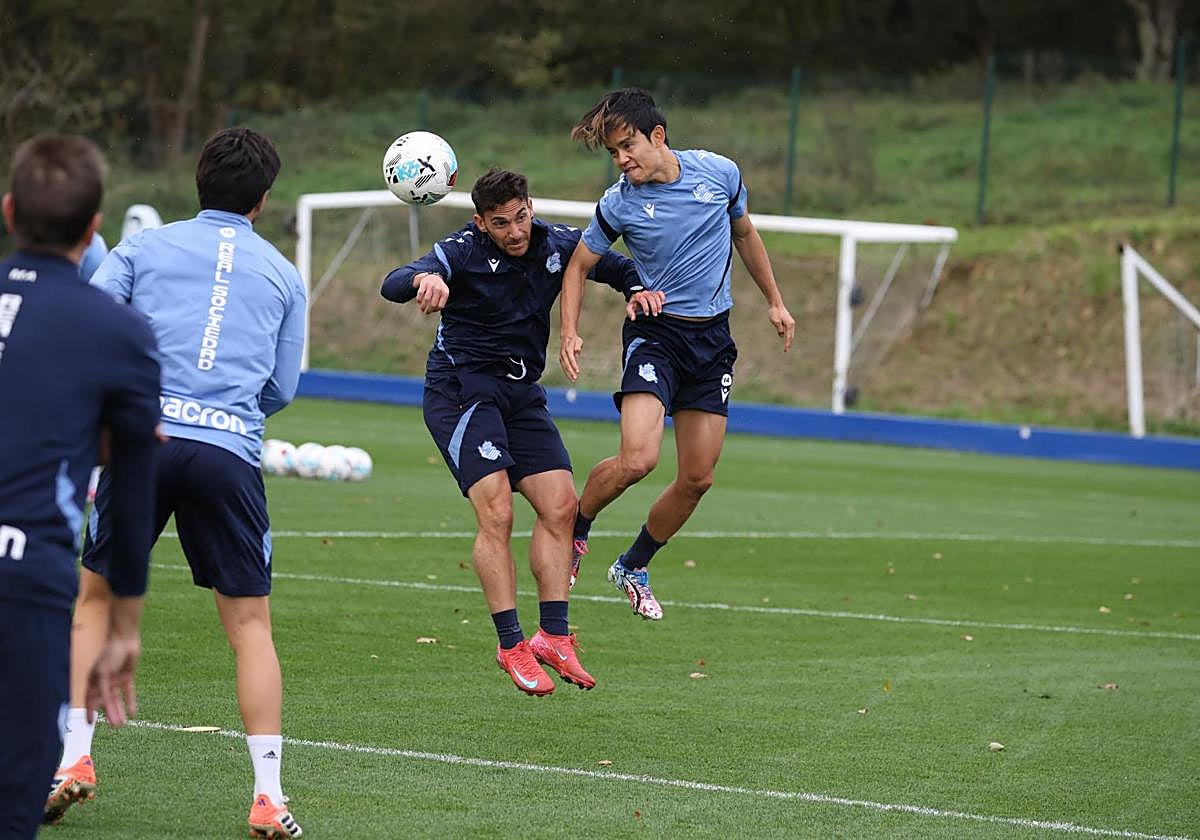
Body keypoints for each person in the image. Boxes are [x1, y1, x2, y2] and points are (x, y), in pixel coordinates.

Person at [47, 128, 307, 839]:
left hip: (143, 442)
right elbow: (281, 386)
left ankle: (73, 759)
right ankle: (269, 797)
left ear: (197, 184)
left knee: (93, 599)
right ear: (262, 199)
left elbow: (93, 326)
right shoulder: (284, 273)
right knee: (250, 627)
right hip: (227, 453)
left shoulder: (143, 247)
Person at [381, 168, 660, 696]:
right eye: (501, 222)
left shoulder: (555, 242)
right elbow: (393, 282)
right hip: (463, 389)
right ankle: (510, 645)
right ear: (481, 222)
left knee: (560, 507)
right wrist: (425, 279)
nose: (515, 231)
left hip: (521, 393)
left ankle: (553, 635)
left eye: (521, 217)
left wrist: (639, 286)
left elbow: (613, 263)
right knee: (499, 514)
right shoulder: (460, 251)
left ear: (531, 206)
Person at [560, 88, 796, 621]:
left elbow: (746, 235)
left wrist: (776, 303)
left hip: (712, 344)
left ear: (658, 136)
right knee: (639, 459)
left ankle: (634, 565)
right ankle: (576, 528)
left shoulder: (719, 174)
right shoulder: (619, 202)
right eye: (613, 153)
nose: (622, 161)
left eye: (627, 147)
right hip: (655, 337)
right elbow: (578, 266)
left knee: (697, 478)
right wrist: (569, 332)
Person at [0, 134, 160, 840]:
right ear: (96, 226)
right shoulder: (120, 330)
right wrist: (122, 626)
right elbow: (132, 481)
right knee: (14, 795)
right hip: (24, 578)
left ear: (9, 213)